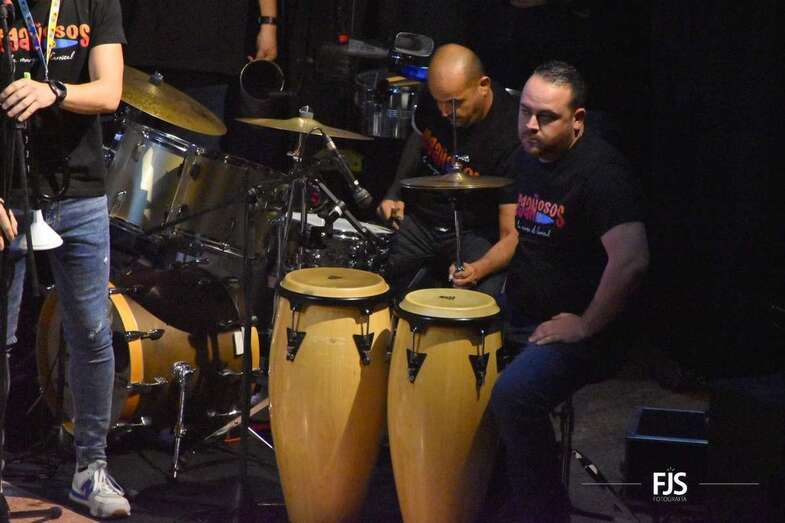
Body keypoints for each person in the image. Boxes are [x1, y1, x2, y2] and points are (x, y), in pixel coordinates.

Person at [451, 61, 649, 521]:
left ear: (577, 119)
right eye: (525, 112)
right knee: (446, 345)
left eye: (546, 117)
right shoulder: (529, 156)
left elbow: (632, 259)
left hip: (580, 328)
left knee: (514, 396)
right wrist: (479, 269)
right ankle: (484, 495)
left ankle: (542, 512)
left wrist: (586, 325)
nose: (531, 125)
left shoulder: (601, 173)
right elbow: (524, 230)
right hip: (523, 307)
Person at [0, 0, 130, 517]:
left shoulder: (95, 1)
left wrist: (53, 90)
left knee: (93, 334)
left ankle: (90, 469)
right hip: (8, 195)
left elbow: (110, 91)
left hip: (80, 193)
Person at [377, 43, 519, 297]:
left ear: (483, 86)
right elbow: (418, 140)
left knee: (481, 300)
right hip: (423, 219)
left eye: (455, 103)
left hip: (475, 231)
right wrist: (395, 193)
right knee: (377, 277)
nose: (444, 112)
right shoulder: (436, 97)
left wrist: (478, 269)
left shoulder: (510, 134)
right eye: (438, 102)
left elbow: (511, 234)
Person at [121, 0, 278, 152]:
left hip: (210, 53)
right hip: (147, 39)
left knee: (193, 158)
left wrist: (269, 23)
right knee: (128, 149)